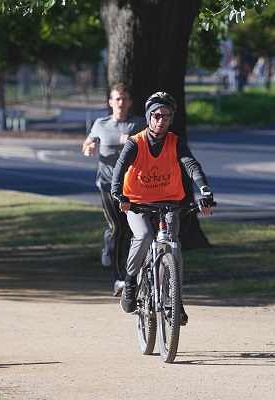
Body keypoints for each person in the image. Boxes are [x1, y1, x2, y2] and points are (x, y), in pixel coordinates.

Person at [110, 91, 214, 325]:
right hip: (136, 202)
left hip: (168, 201)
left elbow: (191, 165)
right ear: (149, 117)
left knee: (173, 243)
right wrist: (118, 194)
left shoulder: (175, 143)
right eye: (157, 115)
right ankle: (130, 283)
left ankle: (176, 301)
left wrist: (204, 191)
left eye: (166, 116)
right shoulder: (136, 143)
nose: (161, 120)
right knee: (145, 235)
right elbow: (119, 169)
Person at [82, 83, 145, 296]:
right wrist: (89, 147)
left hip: (134, 187)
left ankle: (111, 242)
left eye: (124, 99)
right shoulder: (101, 124)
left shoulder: (138, 124)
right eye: (117, 99)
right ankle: (119, 280)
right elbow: (88, 142)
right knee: (119, 231)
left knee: (129, 231)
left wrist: (134, 143)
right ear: (111, 102)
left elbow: (150, 148)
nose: (120, 103)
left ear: (129, 102)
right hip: (108, 185)